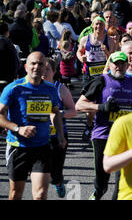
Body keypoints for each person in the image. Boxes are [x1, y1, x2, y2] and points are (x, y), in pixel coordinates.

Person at [0, 52, 66, 200]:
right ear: (26, 67)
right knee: (15, 194)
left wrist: (60, 136)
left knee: (41, 194)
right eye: (33, 63)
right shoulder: (13, 88)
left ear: (45, 68)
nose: (37, 67)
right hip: (18, 147)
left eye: (41, 64)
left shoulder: (50, 89)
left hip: (42, 147)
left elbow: (55, 112)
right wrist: (18, 128)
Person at [75, 51, 132, 200]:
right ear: (109, 65)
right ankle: (97, 192)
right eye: (116, 64)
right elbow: (79, 105)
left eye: (123, 64)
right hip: (103, 135)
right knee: (102, 183)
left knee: (121, 182)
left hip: (124, 138)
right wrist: (101, 107)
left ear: (127, 66)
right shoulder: (101, 81)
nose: (119, 67)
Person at [77, 16, 116, 141]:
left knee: (102, 101)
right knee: (89, 102)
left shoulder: (109, 40)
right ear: (92, 26)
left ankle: (100, 125)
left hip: (104, 75)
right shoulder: (85, 39)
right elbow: (79, 51)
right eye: (97, 24)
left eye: (101, 24)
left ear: (105, 26)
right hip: (89, 74)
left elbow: (113, 59)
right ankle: (89, 125)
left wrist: (107, 52)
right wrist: (81, 57)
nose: (99, 26)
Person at [42, 58, 77, 198]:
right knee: (41, 170)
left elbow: (73, 111)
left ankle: (58, 182)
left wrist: (58, 113)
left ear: (54, 71)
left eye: (47, 69)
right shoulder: (31, 88)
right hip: (39, 137)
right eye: (41, 69)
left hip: (58, 135)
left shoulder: (60, 88)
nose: (43, 72)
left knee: (55, 173)